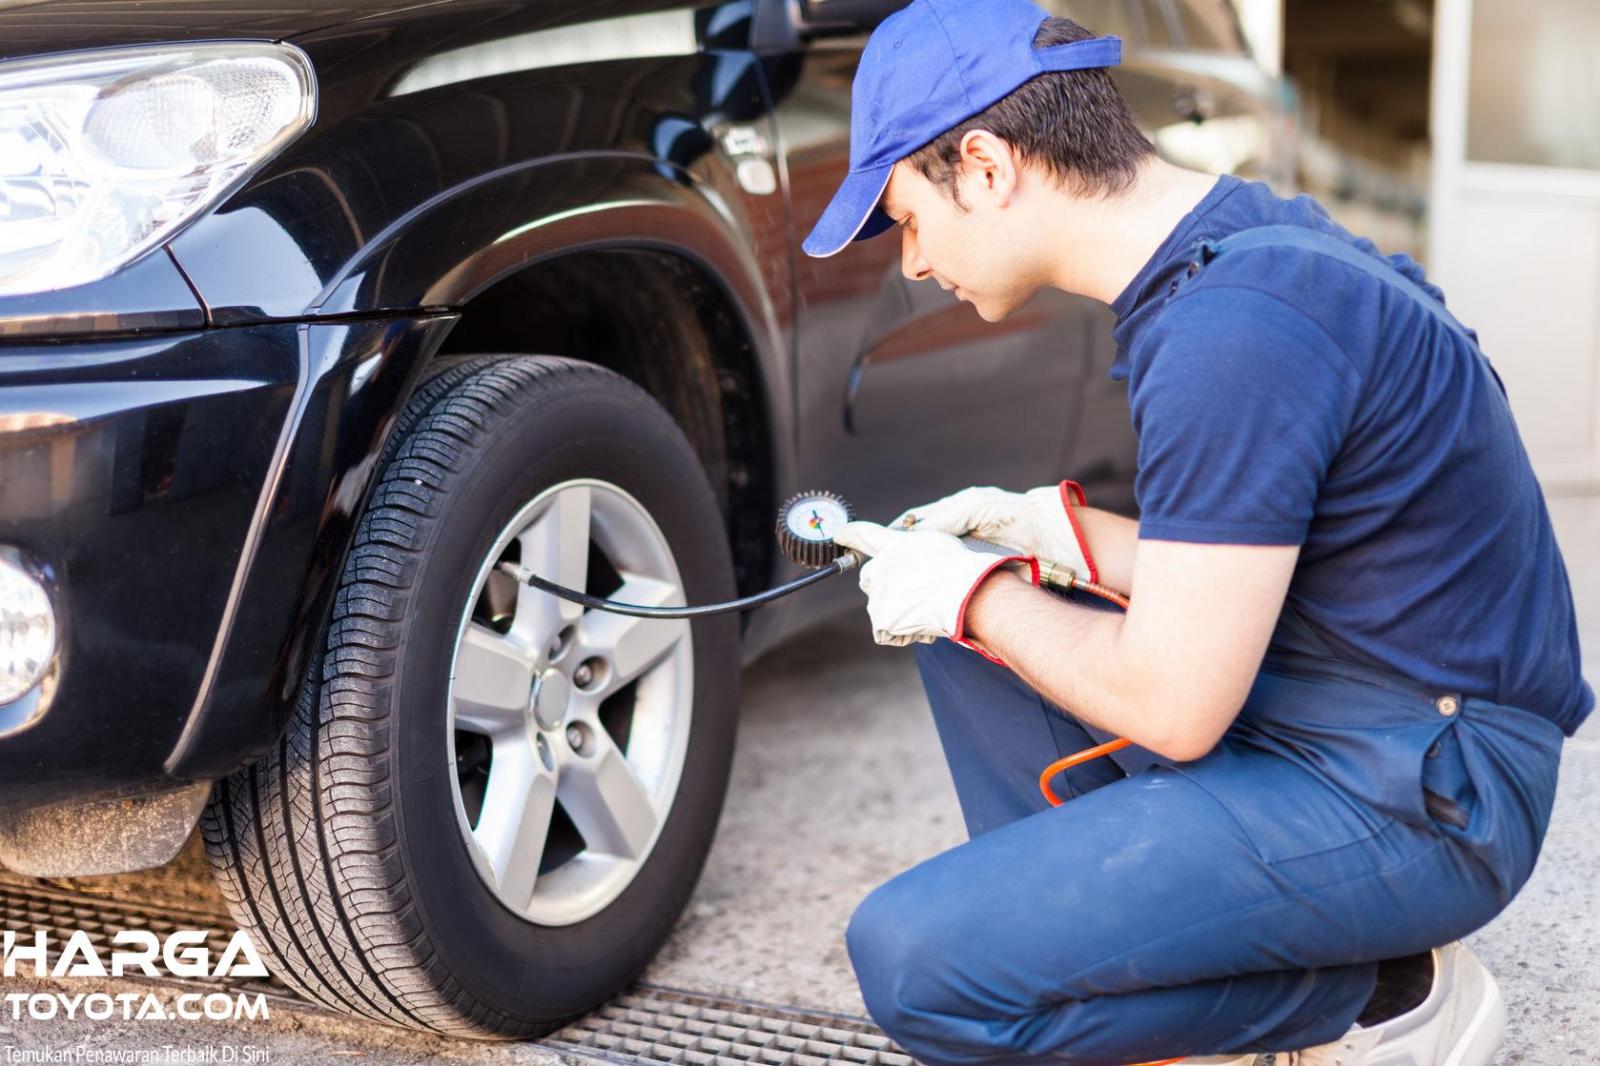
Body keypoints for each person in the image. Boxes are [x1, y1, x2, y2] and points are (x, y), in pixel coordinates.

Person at [800, 1, 1594, 1064]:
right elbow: (1280, 558)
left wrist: (975, 591)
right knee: (969, 621)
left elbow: (1174, 705)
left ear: (985, 166)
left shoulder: (1235, 329)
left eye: (905, 216)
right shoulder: (1239, 250)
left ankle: (1366, 1000)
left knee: (916, 963)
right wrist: (1047, 538)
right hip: (1364, 698)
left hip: (1426, 789)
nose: (911, 260)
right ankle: (1151, 947)